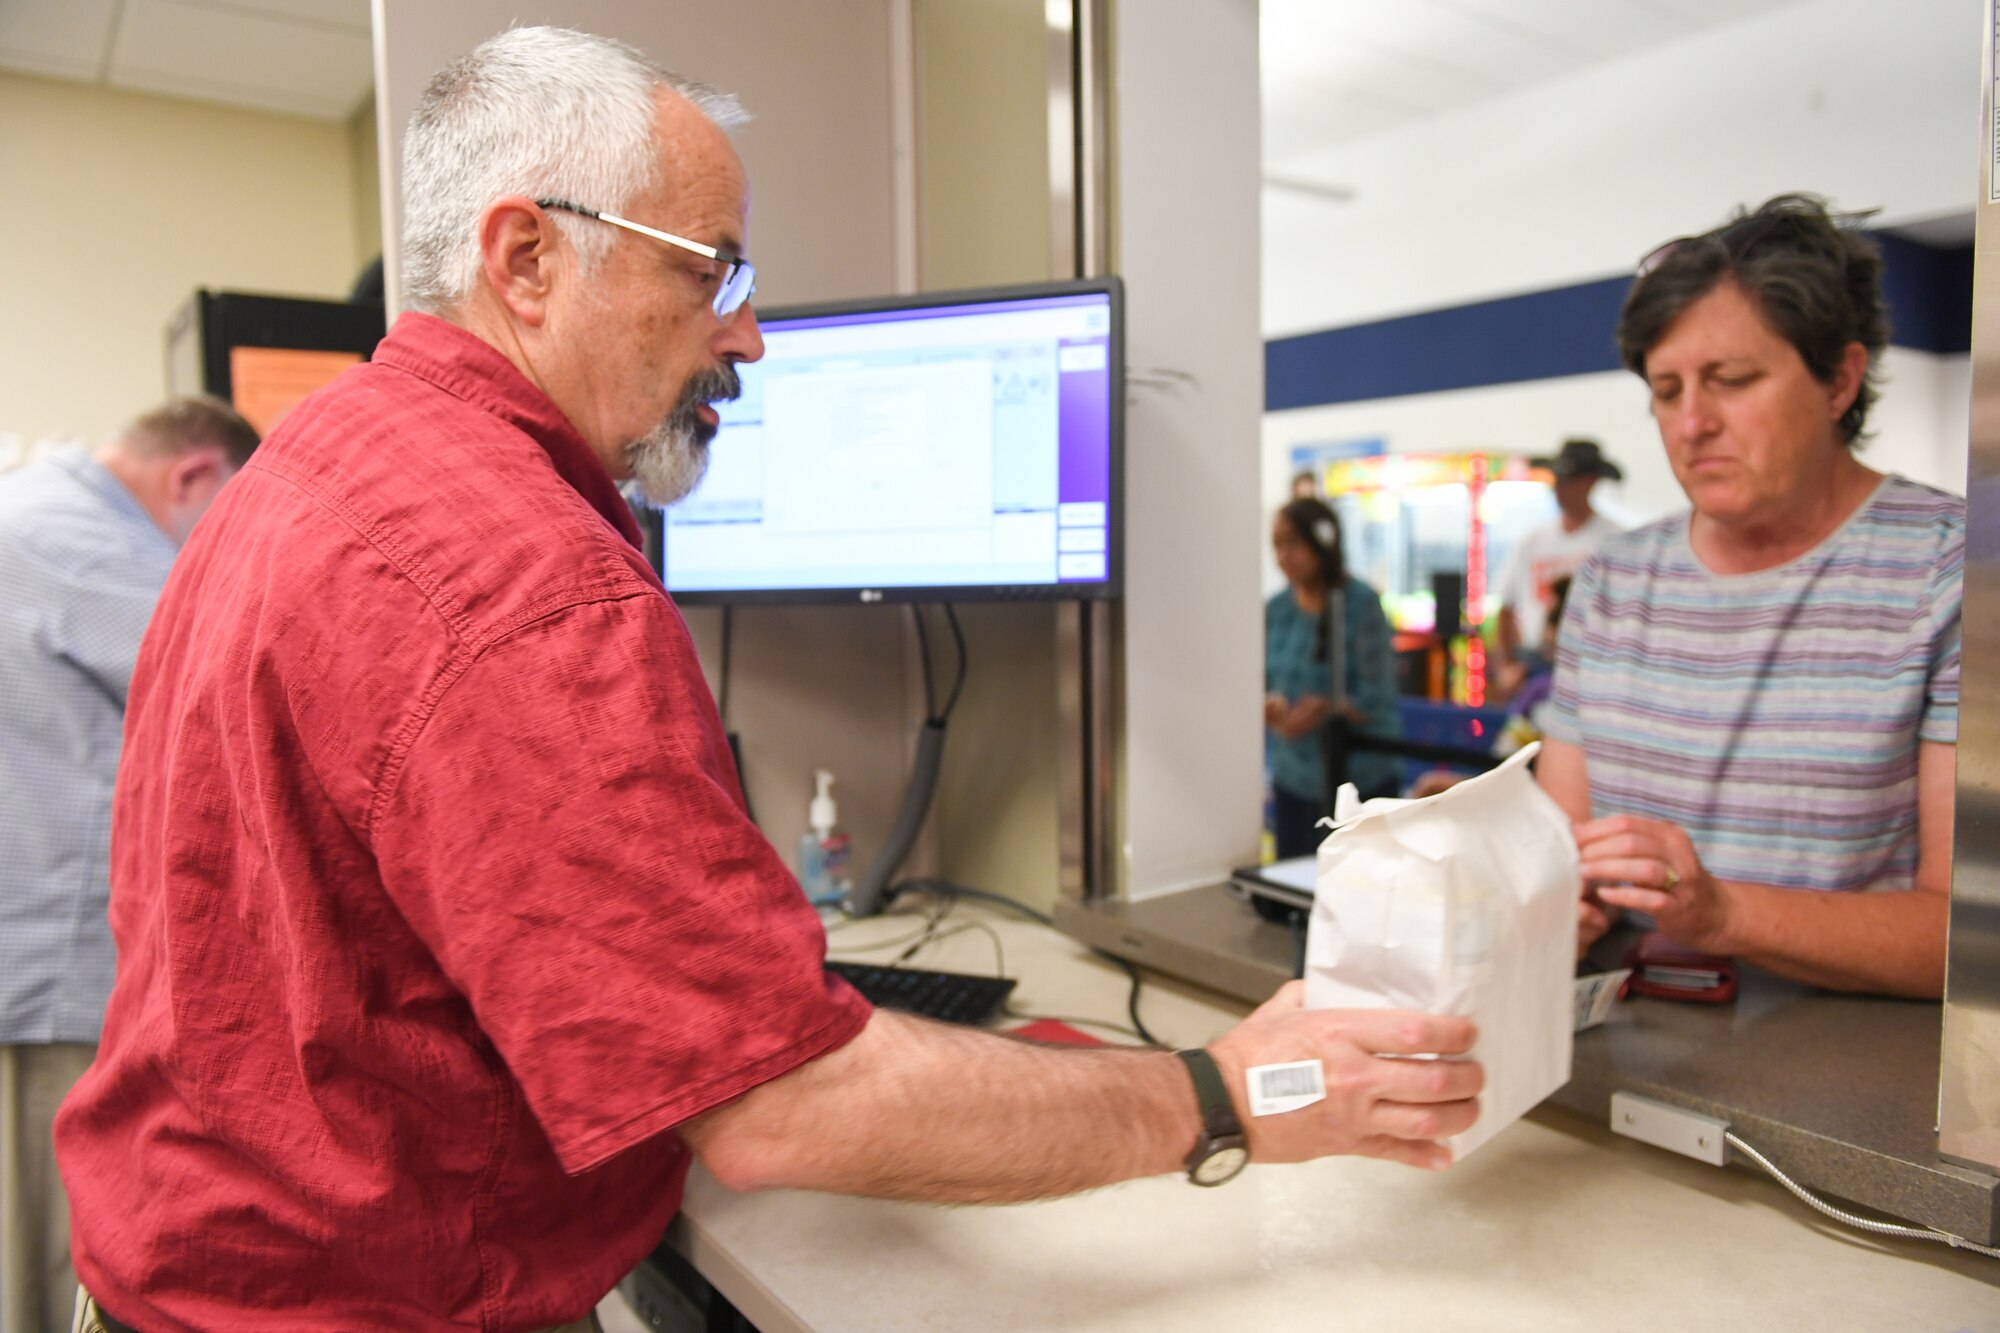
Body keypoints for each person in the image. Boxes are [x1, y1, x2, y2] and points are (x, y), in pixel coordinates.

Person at [55, 29, 1483, 1333]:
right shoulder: (529, 588)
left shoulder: (309, 462)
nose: (747, 332)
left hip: (177, 1263)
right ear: (528, 259)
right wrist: (1227, 1091)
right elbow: (784, 1111)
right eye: (711, 268)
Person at [1538, 193, 1962, 999]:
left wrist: (1722, 911)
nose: (1692, 423)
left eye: (1731, 380)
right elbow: (1561, 847)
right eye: (1667, 391)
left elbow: (1970, 937)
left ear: (1840, 378)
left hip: (1837, 1090)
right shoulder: (1614, 581)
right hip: (1619, 1052)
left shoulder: (1954, 572)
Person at [0, 397, 258, 1333]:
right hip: (57, 977)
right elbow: (241, 677)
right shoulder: (88, 543)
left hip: (39, 959)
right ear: (191, 475)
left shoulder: (33, 512)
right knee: (57, 1253)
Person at [1264, 498, 1403, 859]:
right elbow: (1263, 681)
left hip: (1358, 779)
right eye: (1277, 545)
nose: (1284, 555)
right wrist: (1273, 709)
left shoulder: (1360, 604)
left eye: (1293, 543)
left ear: (1322, 542)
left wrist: (1328, 710)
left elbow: (1378, 694)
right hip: (1293, 779)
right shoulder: (1276, 610)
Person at [1493, 438, 1621, 697]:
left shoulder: (1615, 542)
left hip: (1595, 665)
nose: (1559, 489)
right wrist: (1506, 666)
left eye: (1569, 480)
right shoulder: (1532, 541)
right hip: (1535, 663)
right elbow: (1505, 608)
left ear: (1590, 481)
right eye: (1558, 480)